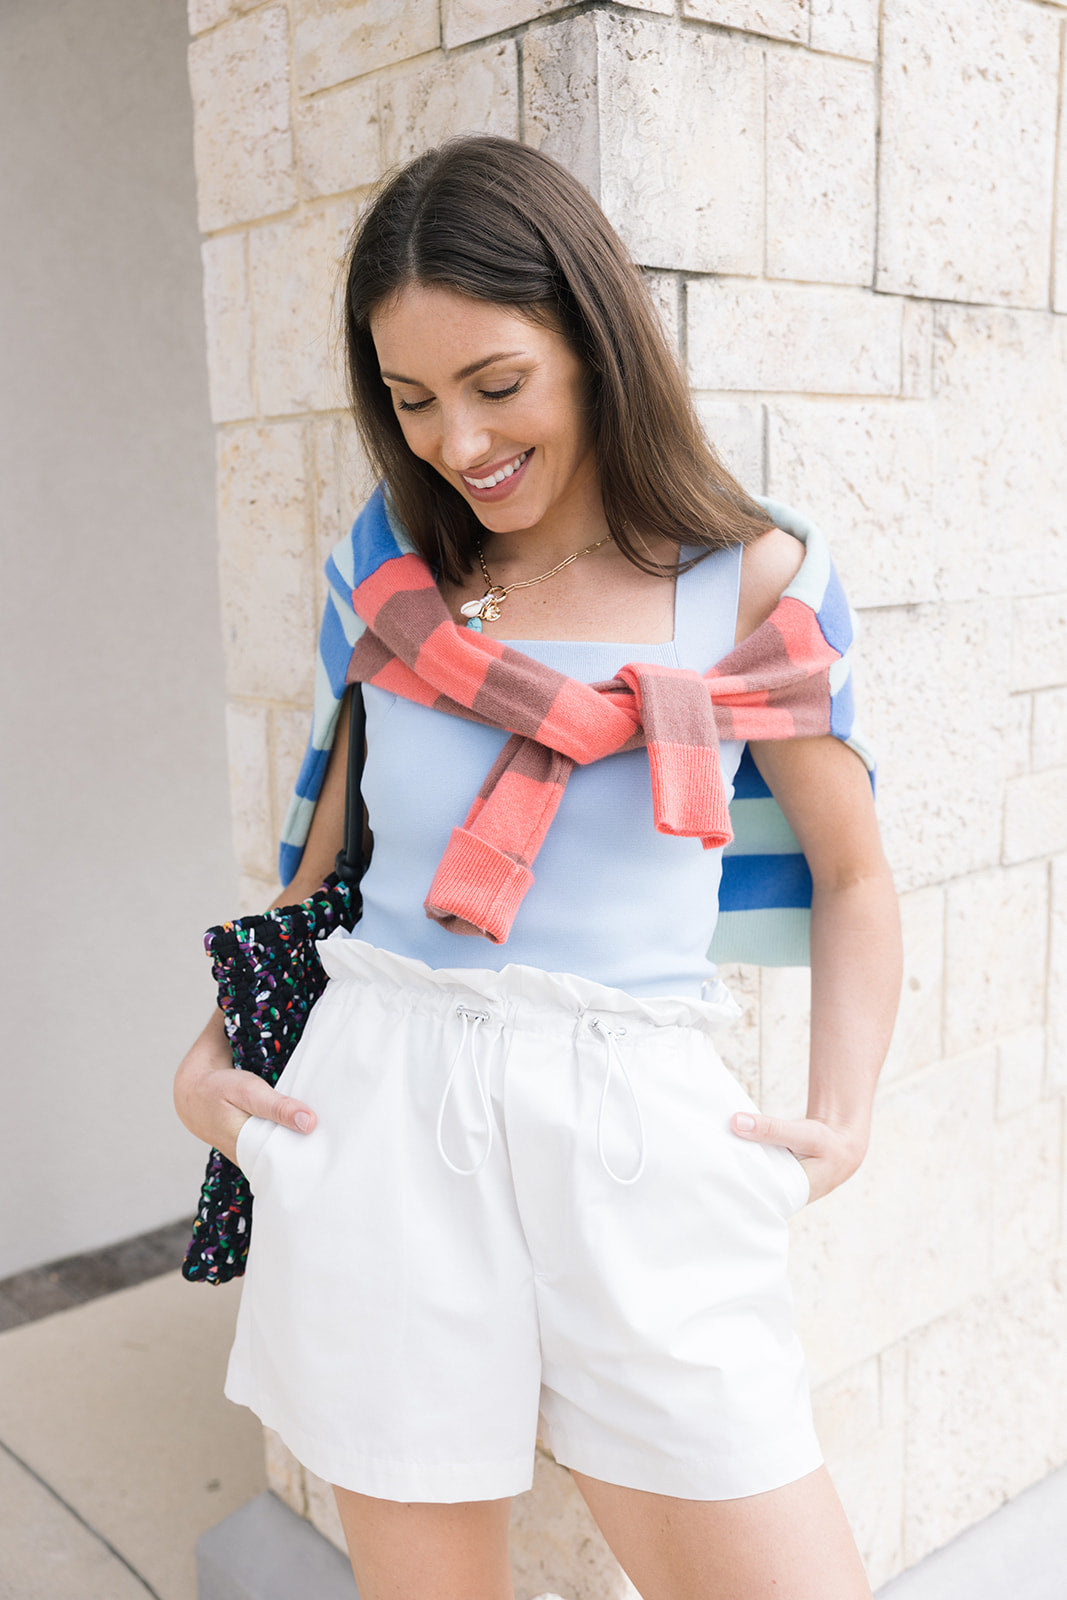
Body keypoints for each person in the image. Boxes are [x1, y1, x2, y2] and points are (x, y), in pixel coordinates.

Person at [175, 134, 901, 1600]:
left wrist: (843, 1114)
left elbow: (859, 874)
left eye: (495, 385)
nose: (456, 441)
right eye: (412, 399)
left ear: (593, 338)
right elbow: (328, 868)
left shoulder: (750, 582)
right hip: (380, 1108)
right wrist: (208, 1066)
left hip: (637, 1118)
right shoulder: (389, 573)